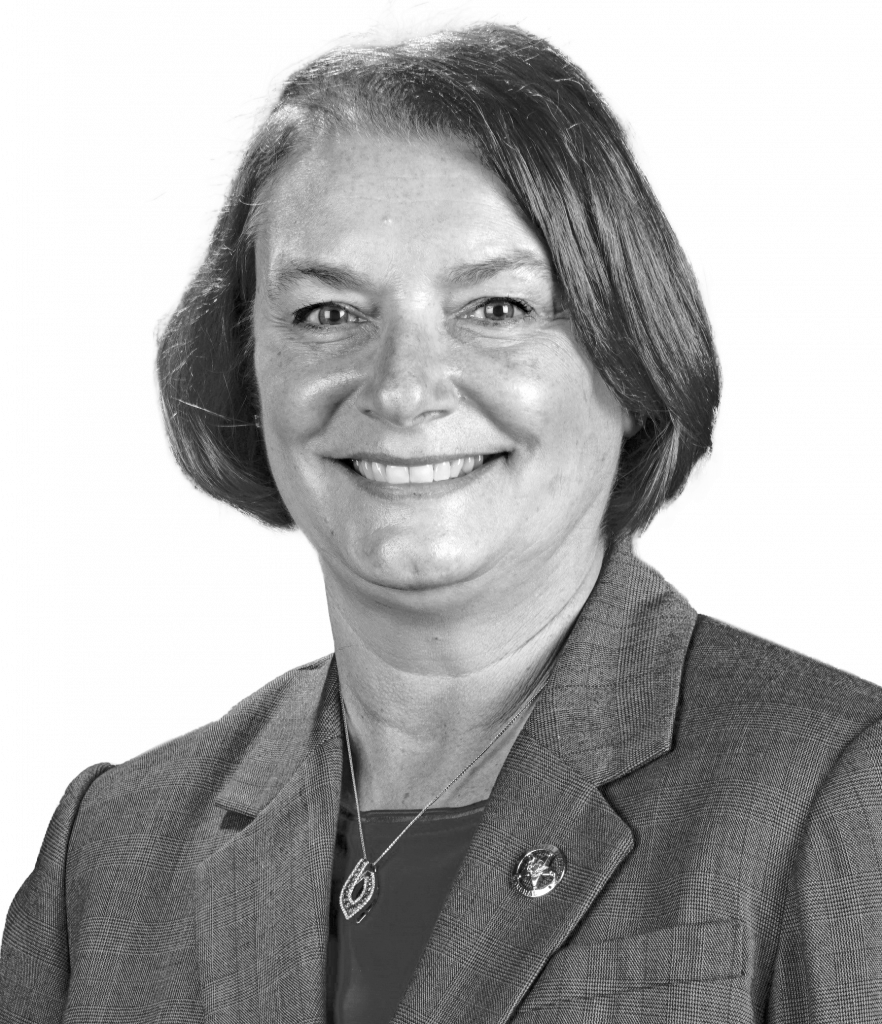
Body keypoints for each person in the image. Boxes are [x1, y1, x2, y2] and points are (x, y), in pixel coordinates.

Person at [2, 4, 879, 1022]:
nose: (405, 389)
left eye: (497, 308)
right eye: (328, 313)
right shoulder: (109, 847)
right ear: (245, 365)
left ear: (632, 354)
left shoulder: (838, 783)